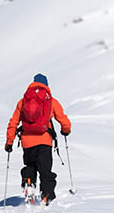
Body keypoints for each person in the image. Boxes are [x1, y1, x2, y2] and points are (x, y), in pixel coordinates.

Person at [5, 73, 71, 204]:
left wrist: (9, 142)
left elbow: (13, 122)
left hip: (27, 142)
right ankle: (47, 196)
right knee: (45, 170)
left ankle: (29, 183)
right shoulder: (51, 101)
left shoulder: (23, 101)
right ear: (46, 85)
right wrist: (66, 130)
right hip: (45, 141)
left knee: (30, 165)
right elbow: (63, 119)